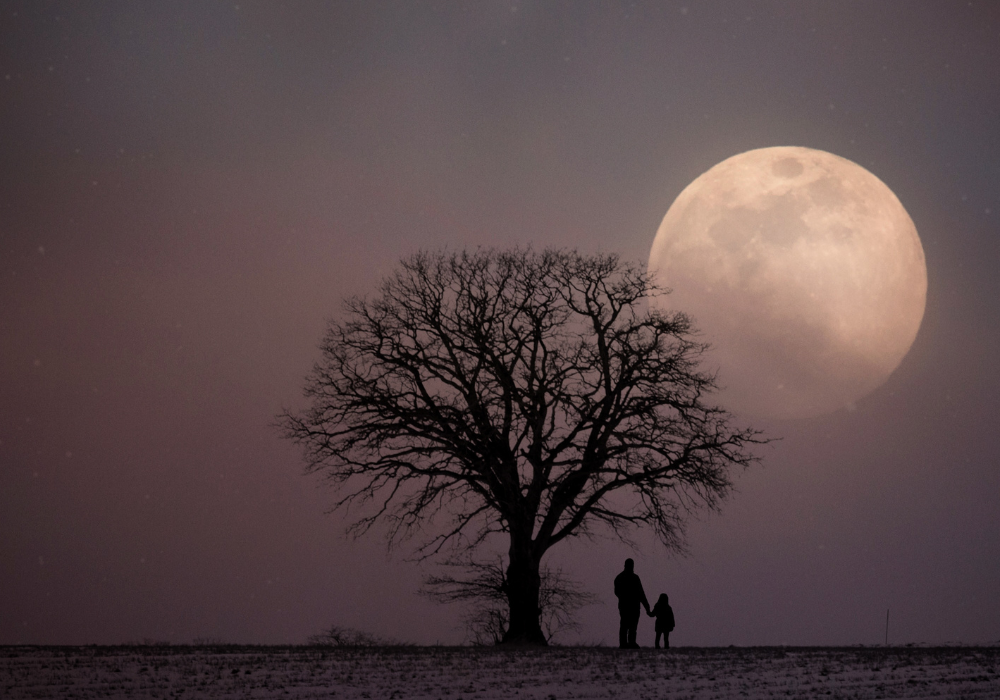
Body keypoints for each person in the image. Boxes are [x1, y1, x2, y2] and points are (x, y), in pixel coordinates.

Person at [613, 558, 650, 648]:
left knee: (626, 625)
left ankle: (626, 643)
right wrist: (647, 607)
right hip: (632, 606)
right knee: (630, 625)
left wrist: (646, 606)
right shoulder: (634, 578)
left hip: (625, 606)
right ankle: (629, 643)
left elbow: (617, 592)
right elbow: (641, 593)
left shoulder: (619, 577)